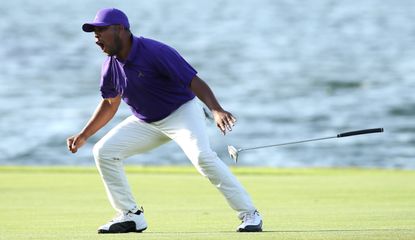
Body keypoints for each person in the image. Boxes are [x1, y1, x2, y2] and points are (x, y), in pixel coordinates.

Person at [67, 8, 262, 234]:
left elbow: (193, 81)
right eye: (94, 32)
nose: (96, 37)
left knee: (202, 156)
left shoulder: (154, 51)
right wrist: (84, 135)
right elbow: (111, 104)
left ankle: (250, 214)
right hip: (145, 122)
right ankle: (130, 216)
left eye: (101, 31)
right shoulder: (110, 65)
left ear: (120, 29)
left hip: (182, 112)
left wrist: (216, 109)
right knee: (103, 151)